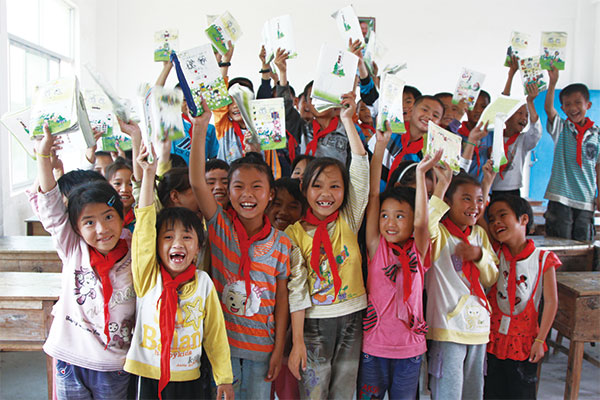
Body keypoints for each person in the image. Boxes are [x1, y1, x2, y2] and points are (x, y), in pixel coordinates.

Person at [189, 99, 292, 399]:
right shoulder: (220, 226)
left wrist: (279, 348)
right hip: (222, 347)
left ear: (270, 194)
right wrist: (200, 128)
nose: (247, 194)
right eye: (238, 187)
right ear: (228, 191)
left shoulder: (281, 243)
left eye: (257, 187)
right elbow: (197, 183)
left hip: (263, 349)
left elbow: (282, 299)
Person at [28, 123, 135, 399]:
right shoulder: (73, 247)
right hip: (71, 358)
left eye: (108, 217)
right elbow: (51, 209)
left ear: (121, 215)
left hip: (114, 364)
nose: (102, 229)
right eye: (89, 222)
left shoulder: (135, 247)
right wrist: (43, 157)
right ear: (76, 226)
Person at [124, 143, 233, 400]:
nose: (177, 244)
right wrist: (148, 174)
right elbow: (144, 230)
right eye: (168, 237)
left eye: (187, 237)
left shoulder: (203, 282)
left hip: (189, 376)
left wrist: (224, 378)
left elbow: (215, 334)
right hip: (147, 375)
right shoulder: (149, 277)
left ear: (198, 248)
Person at [285, 92, 369, 399]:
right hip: (313, 323)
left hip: (353, 317)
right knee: (314, 392)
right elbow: (296, 290)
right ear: (304, 188)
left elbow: (360, 169)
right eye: (317, 185)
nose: (326, 193)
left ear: (345, 191)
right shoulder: (293, 234)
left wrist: (347, 120)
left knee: (344, 391)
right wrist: (297, 341)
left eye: (335, 186)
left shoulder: (349, 218)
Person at [357, 122, 440, 399]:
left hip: (410, 349)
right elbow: (373, 195)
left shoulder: (419, 249)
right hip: (373, 347)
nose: (390, 223)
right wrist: (380, 147)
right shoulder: (376, 246)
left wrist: (421, 174)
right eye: (385, 215)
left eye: (399, 216)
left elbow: (422, 223)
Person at [426, 165, 499, 400]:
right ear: (448, 202)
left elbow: (491, 277)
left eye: (479, 200)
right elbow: (426, 226)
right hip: (448, 329)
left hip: (479, 329)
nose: (474, 206)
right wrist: (441, 186)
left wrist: (479, 256)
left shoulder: (479, 235)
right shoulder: (440, 234)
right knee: (448, 392)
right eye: (466, 199)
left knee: (473, 392)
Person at [484, 195, 560, 399]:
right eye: (492, 219)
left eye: (503, 215)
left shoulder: (543, 259)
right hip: (494, 340)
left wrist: (540, 340)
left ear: (524, 219)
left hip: (525, 344)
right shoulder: (494, 253)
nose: (496, 222)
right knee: (492, 392)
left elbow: (551, 302)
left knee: (522, 393)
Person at [543, 66, 599, 241]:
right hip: (560, 197)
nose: (573, 108)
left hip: (586, 199)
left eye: (577, 103)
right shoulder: (561, 128)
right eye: (567, 104)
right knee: (559, 244)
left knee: (583, 245)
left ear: (588, 105)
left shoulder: (597, 135)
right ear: (562, 108)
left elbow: (598, 168)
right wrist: (552, 83)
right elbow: (549, 109)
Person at [368, 95, 444, 192]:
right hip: (362, 191)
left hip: (388, 199)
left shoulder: (419, 157)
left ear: (438, 124)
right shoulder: (389, 131)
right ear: (411, 110)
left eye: (435, 116)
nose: (429, 116)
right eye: (425, 110)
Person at [491, 81, 542, 197]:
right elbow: (502, 106)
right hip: (491, 188)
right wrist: (510, 76)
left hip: (513, 190)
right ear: (507, 116)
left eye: (526, 115)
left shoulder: (523, 140)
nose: (524, 118)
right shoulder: (494, 136)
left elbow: (536, 131)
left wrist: (530, 102)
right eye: (520, 113)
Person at [456, 91, 492, 181]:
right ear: (466, 109)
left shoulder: (492, 135)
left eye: (483, 106)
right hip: (461, 185)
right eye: (474, 105)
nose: (478, 110)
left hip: (484, 187)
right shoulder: (457, 135)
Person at [105, 158, 135, 232]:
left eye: (131, 184)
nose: (124, 189)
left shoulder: (139, 219)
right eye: (117, 183)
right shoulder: (102, 218)